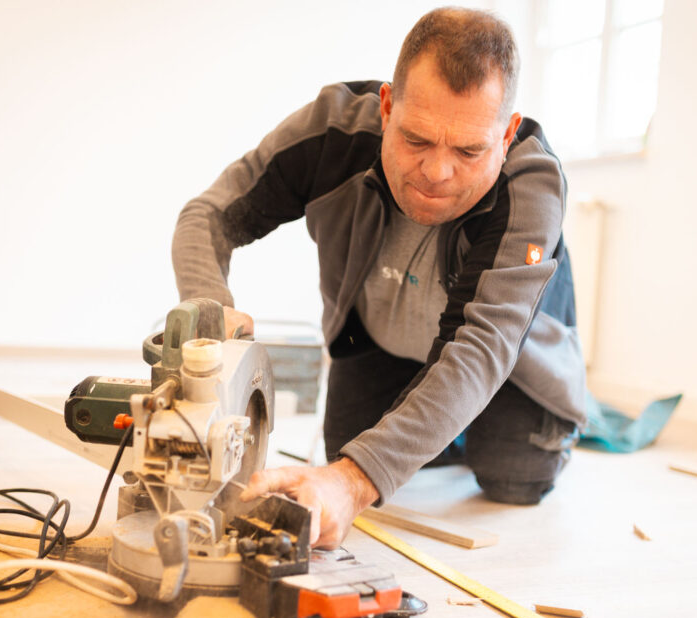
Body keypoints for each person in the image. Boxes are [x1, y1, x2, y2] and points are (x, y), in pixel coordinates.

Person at [172, 8, 586, 548]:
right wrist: (210, 305)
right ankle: (441, 424)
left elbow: (482, 347)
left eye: (468, 150)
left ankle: (482, 421)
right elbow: (207, 216)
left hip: (507, 367)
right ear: (387, 108)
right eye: (416, 140)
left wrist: (353, 482)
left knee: (513, 478)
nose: (438, 172)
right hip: (378, 341)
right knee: (348, 447)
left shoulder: (532, 185)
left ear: (506, 135)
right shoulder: (331, 131)